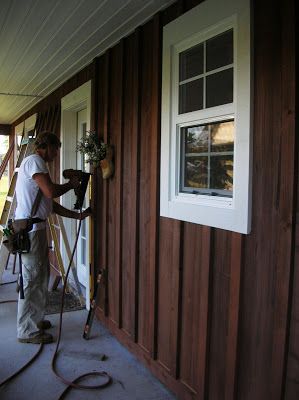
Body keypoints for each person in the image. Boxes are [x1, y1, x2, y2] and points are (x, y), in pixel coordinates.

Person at [15, 131, 91, 344]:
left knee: (39, 277)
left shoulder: (37, 164)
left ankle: (35, 321)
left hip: (35, 229)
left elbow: (49, 205)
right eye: (56, 148)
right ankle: (27, 331)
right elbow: (50, 192)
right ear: (46, 146)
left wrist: (77, 215)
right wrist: (72, 184)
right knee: (32, 279)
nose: (57, 153)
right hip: (31, 231)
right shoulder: (35, 161)